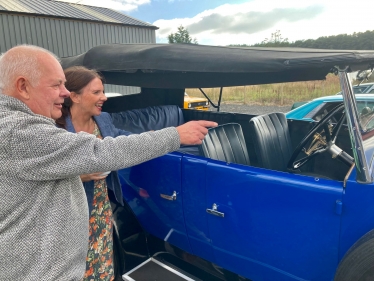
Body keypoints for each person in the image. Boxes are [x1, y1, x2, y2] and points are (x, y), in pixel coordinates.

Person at [0, 44, 217, 281]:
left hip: (80, 227)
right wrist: (174, 135)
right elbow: (99, 152)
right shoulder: (19, 131)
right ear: (23, 86)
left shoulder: (24, 124)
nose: (64, 92)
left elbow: (119, 139)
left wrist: (159, 133)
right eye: (56, 85)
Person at [55, 66, 132, 281]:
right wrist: (80, 176)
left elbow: (121, 138)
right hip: (70, 214)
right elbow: (41, 177)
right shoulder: (56, 129)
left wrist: (155, 137)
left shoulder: (103, 120)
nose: (104, 97)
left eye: (103, 91)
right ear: (75, 96)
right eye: (96, 92)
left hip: (100, 208)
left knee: (102, 265)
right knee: (76, 269)